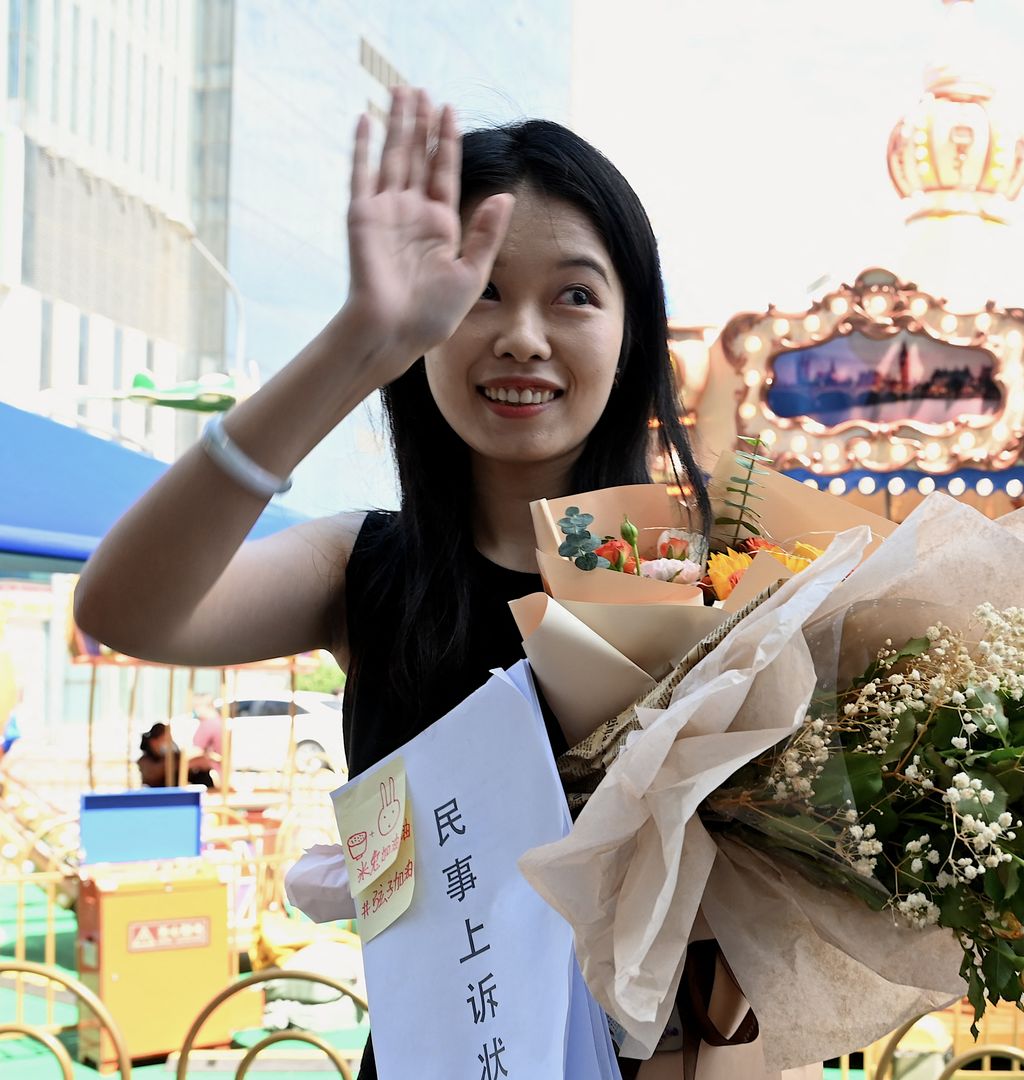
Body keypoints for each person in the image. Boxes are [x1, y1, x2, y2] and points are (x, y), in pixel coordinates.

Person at [73, 87, 713, 1079]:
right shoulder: (361, 568)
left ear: (635, 329)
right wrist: (356, 343)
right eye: (480, 291)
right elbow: (123, 608)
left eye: (575, 293)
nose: (523, 337)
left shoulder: (677, 573)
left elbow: (742, 936)